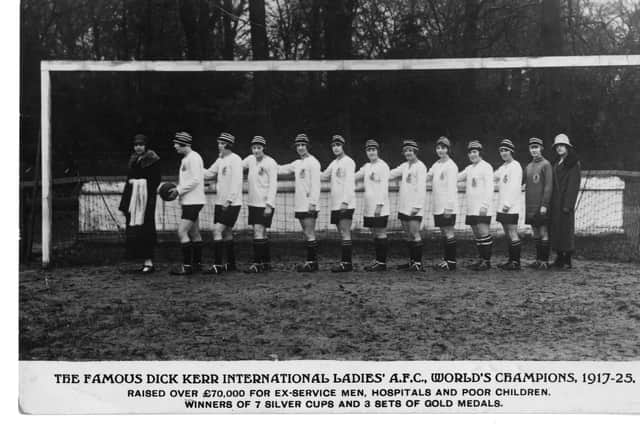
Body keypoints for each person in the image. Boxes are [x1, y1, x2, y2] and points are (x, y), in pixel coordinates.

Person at [118, 134, 161, 274]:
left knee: (146, 228)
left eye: (141, 145)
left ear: (146, 145)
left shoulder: (153, 160)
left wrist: (140, 185)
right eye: (136, 145)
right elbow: (128, 180)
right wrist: (125, 203)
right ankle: (142, 261)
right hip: (133, 200)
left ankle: (149, 262)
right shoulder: (133, 160)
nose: (138, 147)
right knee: (135, 230)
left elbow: (155, 180)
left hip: (146, 199)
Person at [278, 133, 321, 272]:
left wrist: (313, 202)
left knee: (310, 233)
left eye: (303, 145)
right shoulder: (297, 163)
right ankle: (311, 262)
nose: (301, 148)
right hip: (300, 203)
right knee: (306, 233)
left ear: (307, 146)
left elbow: (316, 184)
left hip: (309, 203)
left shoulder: (313, 162)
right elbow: (280, 169)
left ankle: (312, 263)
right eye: (298, 146)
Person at [203, 132, 243, 275]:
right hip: (220, 202)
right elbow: (208, 174)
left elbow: (237, 182)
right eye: (219, 142)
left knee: (217, 231)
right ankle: (231, 264)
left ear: (227, 145)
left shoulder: (235, 159)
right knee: (227, 232)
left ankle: (217, 265)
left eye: (221, 143)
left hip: (231, 203)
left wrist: (229, 200)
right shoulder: (220, 159)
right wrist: (195, 168)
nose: (218, 145)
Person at [168, 131, 205, 275]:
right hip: (189, 201)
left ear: (183, 143)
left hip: (194, 201)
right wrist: (179, 193)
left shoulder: (194, 158)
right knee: (194, 233)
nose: (174, 146)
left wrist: (178, 190)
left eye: (176, 143)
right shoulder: (186, 158)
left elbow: (196, 180)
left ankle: (187, 267)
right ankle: (197, 265)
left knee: (181, 231)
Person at [389, 139, 427, 272]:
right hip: (404, 206)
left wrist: (417, 206)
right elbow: (391, 174)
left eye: (410, 150)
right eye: (406, 151)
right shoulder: (404, 166)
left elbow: (422, 189)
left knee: (414, 233)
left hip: (414, 207)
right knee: (408, 235)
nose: (408, 153)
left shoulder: (421, 167)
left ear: (415, 152)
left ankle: (418, 263)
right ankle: (411, 262)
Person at [242, 136, 278, 273]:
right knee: (261, 232)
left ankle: (257, 264)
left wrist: (269, 204)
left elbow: (273, 185)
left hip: (264, 204)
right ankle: (266, 263)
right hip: (253, 203)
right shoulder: (250, 160)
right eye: (254, 148)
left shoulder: (270, 163)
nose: (256, 150)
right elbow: (237, 165)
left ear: (264, 148)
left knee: (258, 231)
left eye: (259, 148)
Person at [321, 134, 356, 273]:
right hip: (335, 204)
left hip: (345, 203)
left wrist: (346, 201)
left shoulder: (349, 162)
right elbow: (324, 176)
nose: (336, 148)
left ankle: (347, 263)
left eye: (338, 145)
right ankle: (345, 262)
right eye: (334, 146)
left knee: (345, 232)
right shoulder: (334, 163)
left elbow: (349, 183)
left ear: (343, 147)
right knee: (341, 233)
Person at [458, 140, 495, 271]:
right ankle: (481, 259)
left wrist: (485, 205)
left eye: (474, 152)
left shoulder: (486, 167)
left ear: (480, 153)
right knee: (477, 235)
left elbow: (490, 188)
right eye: (470, 152)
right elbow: (456, 178)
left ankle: (487, 261)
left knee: (484, 233)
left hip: (482, 208)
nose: (472, 155)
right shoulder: (469, 168)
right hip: (471, 208)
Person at [355, 139, 391, 272]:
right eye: (369, 150)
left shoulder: (383, 166)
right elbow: (355, 176)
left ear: (378, 151)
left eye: (373, 150)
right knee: (375, 233)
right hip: (369, 207)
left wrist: (380, 205)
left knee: (381, 232)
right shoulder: (366, 167)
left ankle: (382, 263)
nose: (371, 152)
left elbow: (384, 188)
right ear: (366, 152)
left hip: (379, 207)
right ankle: (378, 260)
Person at [427, 136, 459, 271]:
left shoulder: (451, 166)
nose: (440, 150)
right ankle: (446, 260)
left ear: (448, 149)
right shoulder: (436, 164)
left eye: (443, 148)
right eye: (438, 148)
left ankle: (451, 262)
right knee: (444, 232)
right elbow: (428, 176)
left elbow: (452, 188)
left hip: (447, 206)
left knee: (449, 232)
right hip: (437, 205)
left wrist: (449, 207)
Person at [550, 133, 581, 269]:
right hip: (555, 201)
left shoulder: (573, 163)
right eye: (557, 146)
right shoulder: (556, 163)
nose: (559, 148)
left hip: (565, 202)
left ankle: (567, 259)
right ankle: (559, 257)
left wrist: (568, 204)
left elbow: (573, 185)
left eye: (562, 145)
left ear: (568, 147)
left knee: (566, 230)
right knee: (556, 229)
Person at [523, 137, 553, 269]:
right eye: (531, 148)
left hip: (541, 206)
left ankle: (545, 261)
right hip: (530, 206)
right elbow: (523, 183)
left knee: (543, 232)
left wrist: (544, 205)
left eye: (536, 147)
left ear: (541, 148)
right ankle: (538, 259)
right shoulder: (528, 166)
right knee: (535, 233)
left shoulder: (546, 165)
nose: (534, 150)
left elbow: (548, 186)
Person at [494, 139, 523, 270]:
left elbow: (515, 188)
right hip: (502, 206)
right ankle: (511, 260)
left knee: (512, 232)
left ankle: (516, 262)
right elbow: (492, 177)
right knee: (507, 233)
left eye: (506, 150)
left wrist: (508, 204)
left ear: (511, 151)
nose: (503, 153)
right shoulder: (503, 167)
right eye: (501, 151)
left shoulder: (515, 166)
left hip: (510, 207)